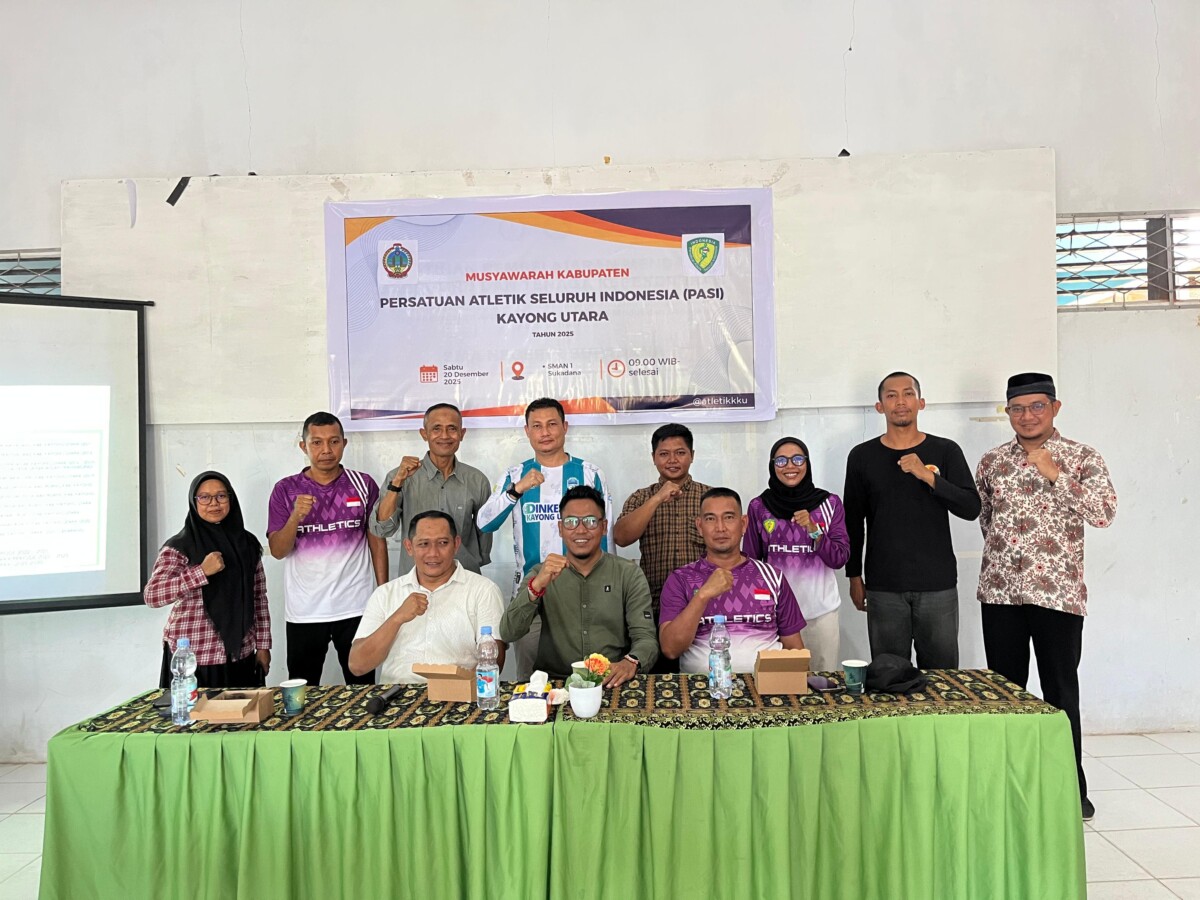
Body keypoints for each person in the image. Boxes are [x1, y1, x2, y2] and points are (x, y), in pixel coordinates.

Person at [976, 372, 1117, 822]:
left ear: (1055, 408)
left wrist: (1055, 474)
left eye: (1037, 406)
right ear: (1008, 412)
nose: (1027, 415)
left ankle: (1069, 789)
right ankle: (1007, 784)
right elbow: (986, 520)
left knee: (1060, 692)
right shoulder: (993, 461)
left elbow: (1104, 513)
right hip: (1000, 592)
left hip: (1057, 595)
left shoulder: (1081, 457)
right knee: (1005, 692)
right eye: (1017, 408)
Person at [843, 372, 981, 669]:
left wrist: (927, 475)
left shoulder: (945, 450)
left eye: (907, 394)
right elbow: (853, 521)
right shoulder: (862, 456)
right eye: (891, 395)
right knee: (889, 676)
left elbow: (971, 507)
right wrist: (854, 577)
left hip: (937, 585)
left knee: (942, 678)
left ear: (921, 403)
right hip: (883, 586)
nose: (900, 401)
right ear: (880, 406)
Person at [479, 397, 613, 678]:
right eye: (536, 426)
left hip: (582, 593)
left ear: (565, 427)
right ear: (527, 432)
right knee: (532, 679)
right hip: (532, 593)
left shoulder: (589, 474)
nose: (545, 432)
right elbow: (485, 523)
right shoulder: (515, 475)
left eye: (552, 424)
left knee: (587, 676)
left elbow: (605, 534)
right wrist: (516, 490)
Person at [268, 411, 387, 685]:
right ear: (304, 446)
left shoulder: (363, 484)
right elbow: (277, 550)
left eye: (333, 442)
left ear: (344, 443)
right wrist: (294, 518)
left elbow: (376, 540)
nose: (326, 450)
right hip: (305, 610)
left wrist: (383, 594)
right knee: (302, 690)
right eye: (317, 443)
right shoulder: (285, 490)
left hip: (356, 607)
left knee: (361, 686)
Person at [499, 486, 657, 687]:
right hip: (556, 683)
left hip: (611, 681)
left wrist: (631, 661)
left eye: (590, 521)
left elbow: (646, 638)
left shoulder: (628, 573)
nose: (581, 530)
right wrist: (536, 587)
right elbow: (508, 632)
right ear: (560, 528)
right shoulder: (542, 573)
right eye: (571, 522)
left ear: (603, 526)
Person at [145, 470, 271, 688]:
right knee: (195, 721)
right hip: (194, 659)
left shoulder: (247, 543)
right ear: (194, 502)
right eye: (204, 497)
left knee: (244, 720)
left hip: (241, 655)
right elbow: (152, 596)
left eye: (222, 496)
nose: (214, 503)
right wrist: (200, 572)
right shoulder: (179, 546)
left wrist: (263, 646)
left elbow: (258, 597)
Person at [659, 487, 806, 674]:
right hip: (701, 692)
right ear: (699, 526)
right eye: (710, 519)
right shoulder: (681, 579)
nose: (720, 527)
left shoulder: (772, 577)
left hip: (766, 689)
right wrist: (703, 595)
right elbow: (670, 649)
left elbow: (796, 649)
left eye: (728, 517)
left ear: (744, 523)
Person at [348, 511, 506, 683]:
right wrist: (397, 618)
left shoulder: (483, 590)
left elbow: (494, 660)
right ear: (409, 547)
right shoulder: (385, 594)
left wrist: (460, 693)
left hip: (459, 697)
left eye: (443, 543)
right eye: (423, 544)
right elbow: (358, 665)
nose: (433, 553)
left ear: (456, 544)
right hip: (397, 699)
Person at [743, 438, 849, 672]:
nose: (790, 466)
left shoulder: (829, 503)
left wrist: (814, 531)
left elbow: (840, 558)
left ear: (807, 463)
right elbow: (750, 565)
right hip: (776, 617)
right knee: (782, 687)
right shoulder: (759, 507)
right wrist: (761, 609)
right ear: (772, 465)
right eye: (781, 460)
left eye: (797, 459)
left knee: (822, 684)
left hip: (820, 614)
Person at [614, 423, 711, 673]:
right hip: (654, 607)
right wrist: (657, 499)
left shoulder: (709, 498)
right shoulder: (640, 498)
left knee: (702, 676)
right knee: (657, 682)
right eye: (664, 453)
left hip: (704, 608)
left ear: (692, 455)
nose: (672, 460)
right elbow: (621, 537)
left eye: (680, 452)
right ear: (654, 458)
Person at [369, 403, 493, 575]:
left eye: (452, 429)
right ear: (424, 434)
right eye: (436, 429)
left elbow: (484, 534)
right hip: (415, 582)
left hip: (464, 579)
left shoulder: (477, 480)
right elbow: (381, 529)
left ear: (462, 434)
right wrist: (397, 482)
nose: (444, 436)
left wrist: (473, 561)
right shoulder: (400, 477)